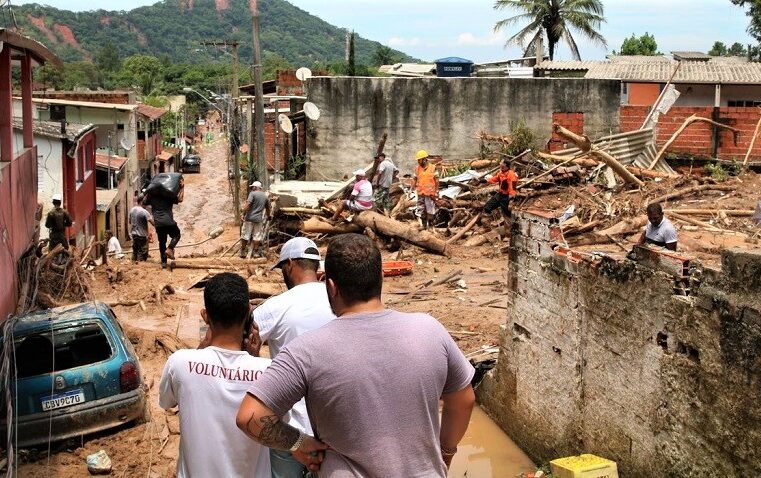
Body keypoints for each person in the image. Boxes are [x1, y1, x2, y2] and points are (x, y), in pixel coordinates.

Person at [237, 234, 476, 476]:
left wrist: (299, 442)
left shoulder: (306, 350)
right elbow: (464, 401)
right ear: (381, 278)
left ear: (331, 286)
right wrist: (445, 452)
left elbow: (250, 416)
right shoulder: (430, 330)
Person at [159, 272, 272, 478]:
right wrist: (254, 358)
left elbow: (166, 402)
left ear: (205, 316)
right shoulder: (269, 372)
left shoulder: (180, 362)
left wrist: (201, 349)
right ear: (248, 313)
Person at [251, 237, 336, 477]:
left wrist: (255, 355)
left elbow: (241, 341)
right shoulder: (338, 300)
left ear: (289, 265)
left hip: (291, 432)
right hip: (333, 426)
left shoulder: (276, 306)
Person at [145, 177, 184, 268]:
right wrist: (182, 187)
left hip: (158, 224)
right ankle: (170, 248)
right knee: (177, 235)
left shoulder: (151, 197)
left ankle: (163, 263)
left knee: (162, 242)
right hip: (169, 222)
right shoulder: (168, 195)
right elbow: (180, 199)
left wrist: (148, 191)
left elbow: (144, 202)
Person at [240, 181, 271, 258]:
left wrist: (243, 213)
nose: (252, 188)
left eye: (252, 187)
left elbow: (248, 204)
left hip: (249, 218)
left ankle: (243, 251)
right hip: (258, 219)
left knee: (245, 235)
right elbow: (268, 208)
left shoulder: (252, 194)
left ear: (255, 187)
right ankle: (256, 252)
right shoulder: (265, 196)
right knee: (257, 236)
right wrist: (269, 216)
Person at [412, 150, 440, 230]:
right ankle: (424, 227)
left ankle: (431, 227)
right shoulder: (417, 169)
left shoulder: (433, 168)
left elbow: (437, 180)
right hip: (421, 193)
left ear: (424, 159)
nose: (418, 161)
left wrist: (436, 191)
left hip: (430, 194)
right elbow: (414, 179)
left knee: (430, 211)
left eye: (419, 160)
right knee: (422, 210)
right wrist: (411, 189)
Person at [129, 195, 154, 262]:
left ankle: (133, 266)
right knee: (143, 253)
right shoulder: (144, 212)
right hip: (142, 236)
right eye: (146, 201)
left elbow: (129, 222)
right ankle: (140, 266)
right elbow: (153, 223)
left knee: (135, 252)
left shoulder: (132, 210)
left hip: (134, 234)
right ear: (142, 201)